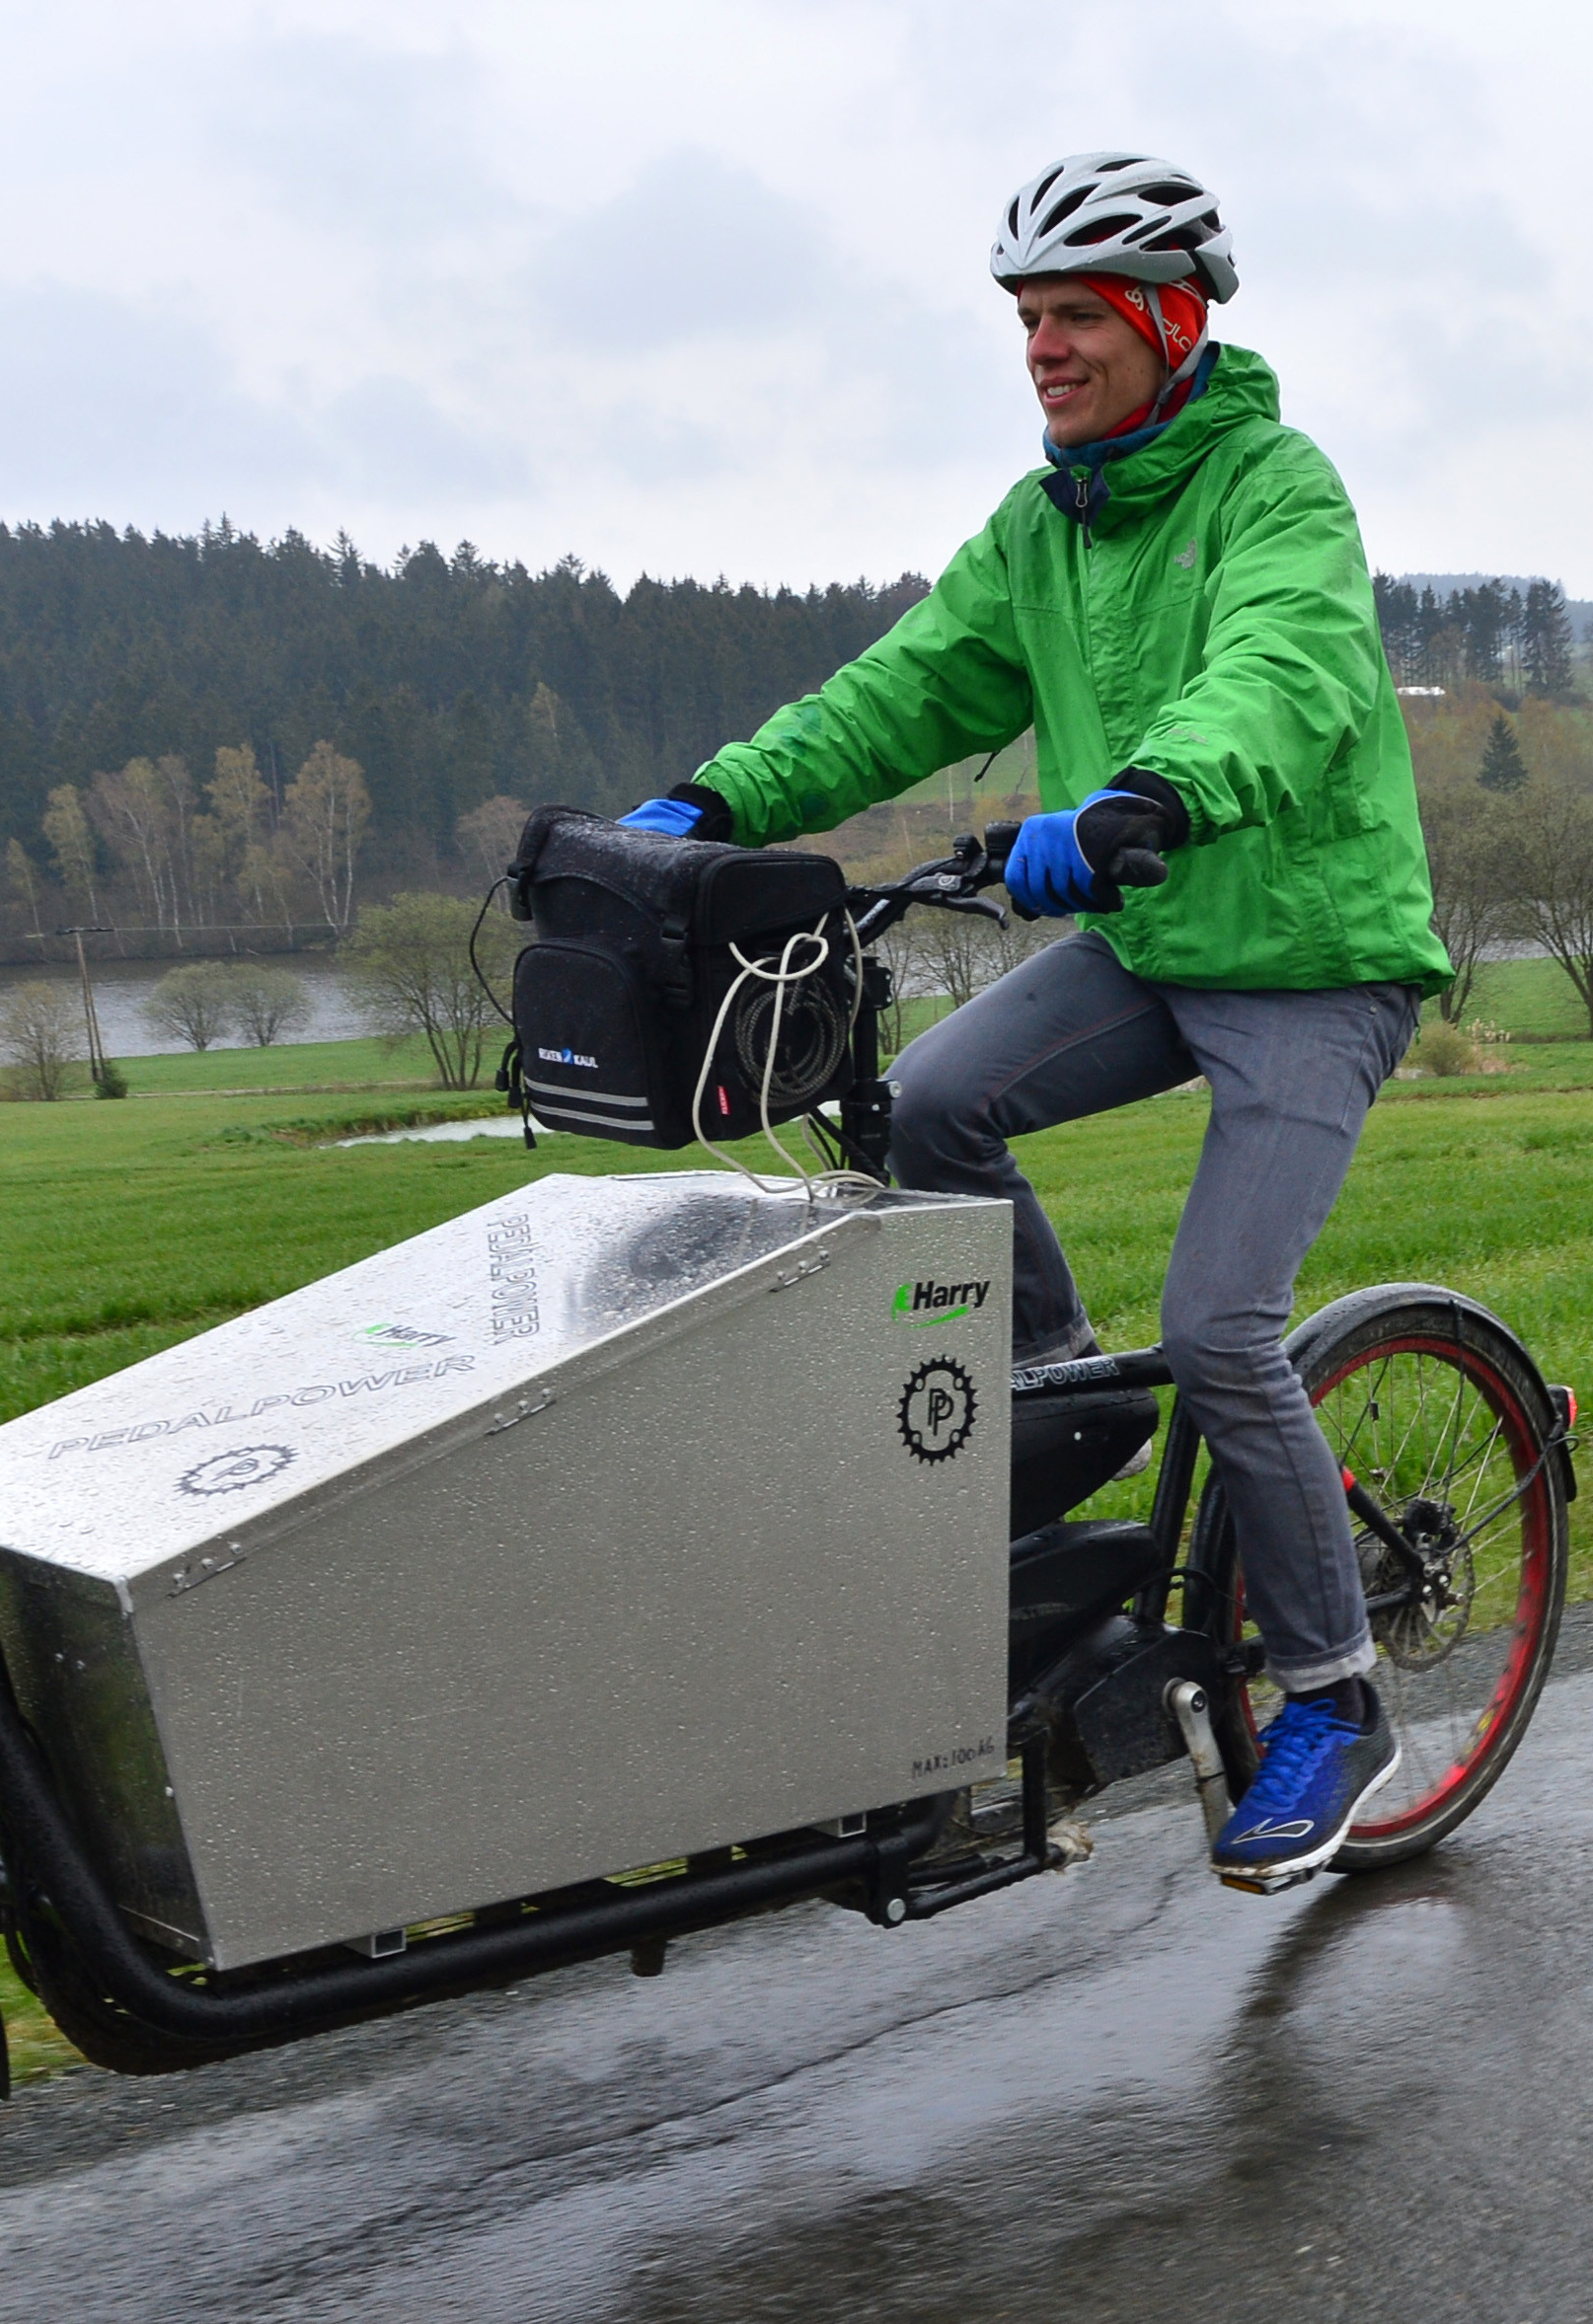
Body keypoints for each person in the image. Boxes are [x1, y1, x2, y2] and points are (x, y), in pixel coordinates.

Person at [616, 152, 1449, 1895]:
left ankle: (1331, 1689)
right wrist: (710, 805)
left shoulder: (1275, 490)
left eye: (1074, 316)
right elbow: (905, 688)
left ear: (1167, 321)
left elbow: (1283, 673)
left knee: (1225, 1327)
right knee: (922, 1110)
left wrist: (1148, 787)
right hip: (1155, 941)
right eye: (1024, 320)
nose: (1042, 350)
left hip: (1308, 956)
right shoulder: (1042, 524)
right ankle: (1064, 1382)